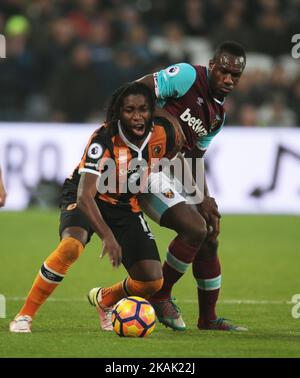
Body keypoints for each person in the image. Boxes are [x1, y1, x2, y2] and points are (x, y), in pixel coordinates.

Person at [9, 82, 187, 333]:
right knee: (72, 246)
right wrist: (108, 236)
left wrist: (191, 190)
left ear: (151, 112)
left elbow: (177, 152)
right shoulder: (103, 140)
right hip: (88, 197)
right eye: (129, 110)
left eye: (143, 110)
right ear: (118, 113)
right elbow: (85, 196)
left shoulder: (165, 132)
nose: (137, 116)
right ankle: (24, 315)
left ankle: (105, 299)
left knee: (152, 281)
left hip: (125, 203)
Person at [136, 41, 248, 331]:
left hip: (168, 168)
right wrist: (167, 117)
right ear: (212, 66)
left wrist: (205, 199)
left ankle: (208, 319)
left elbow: (195, 158)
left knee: (209, 230)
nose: (228, 79)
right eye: (223, 71)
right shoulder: (187, 76)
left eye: (235, 76)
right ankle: (160, 295)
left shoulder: (218, 116)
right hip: (140, 164)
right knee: (194, 228)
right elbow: (136, 91)